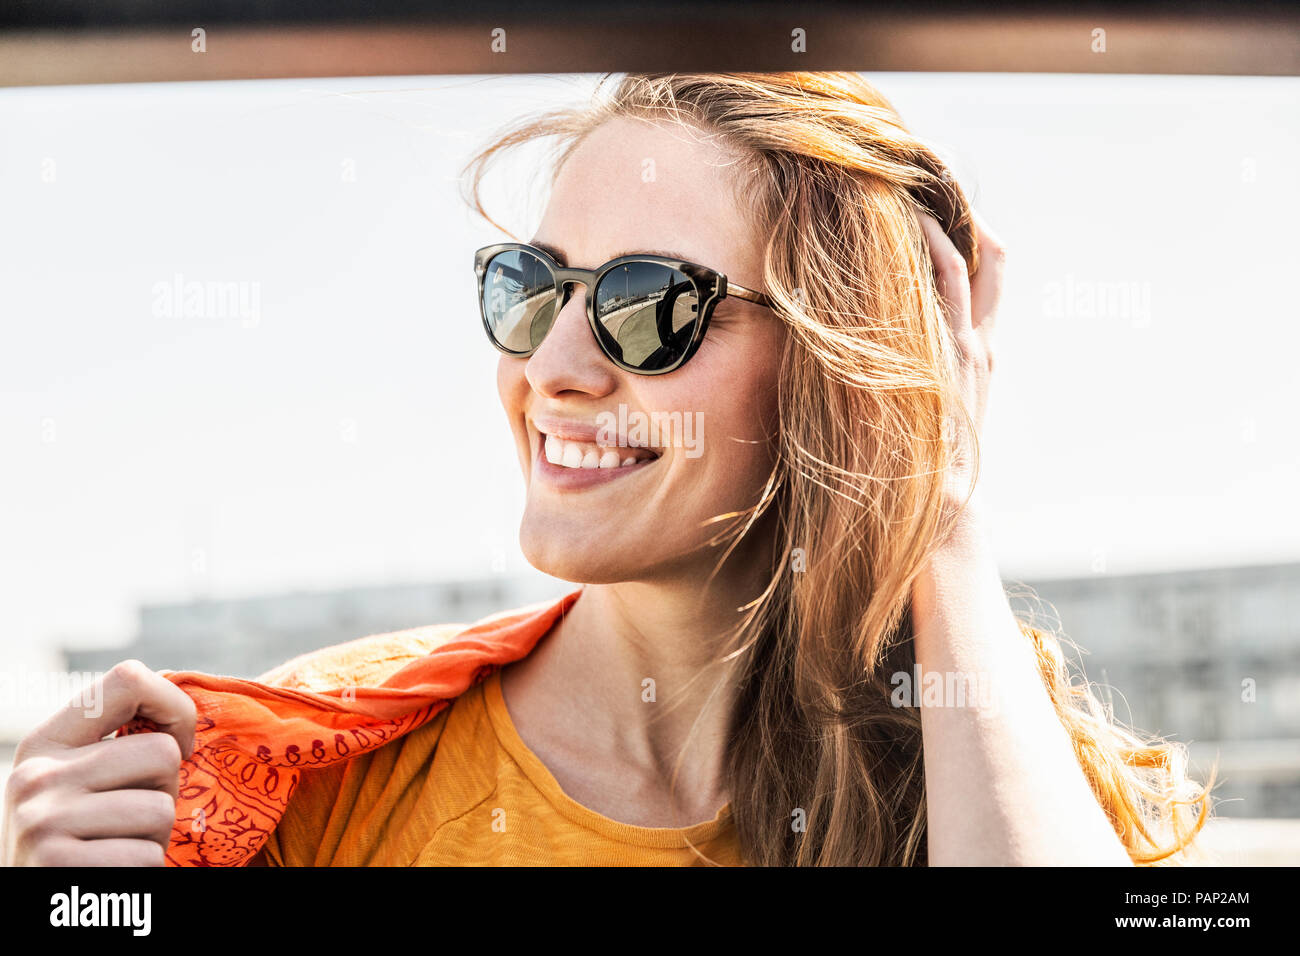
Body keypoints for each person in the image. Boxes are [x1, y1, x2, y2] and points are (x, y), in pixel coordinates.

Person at [1, 72, 1211, 867]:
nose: (556, 365)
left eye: (650, 305)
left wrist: (937, 507)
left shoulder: (996, 763)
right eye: (531, 289)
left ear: (846, 370)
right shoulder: (309, 776)